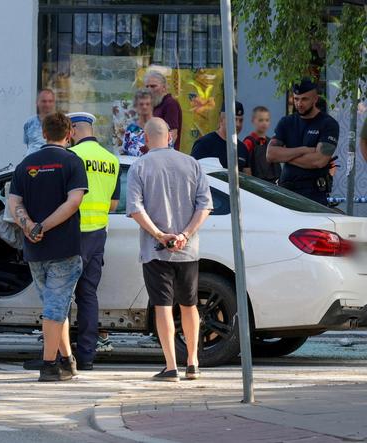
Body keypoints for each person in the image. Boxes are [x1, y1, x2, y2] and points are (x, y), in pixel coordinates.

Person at [126, 117, 213, 382]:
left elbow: (135, 209)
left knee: (163, 305)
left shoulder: (139, 166)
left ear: (145, 136)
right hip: (188, 250)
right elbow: (205, 206)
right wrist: (185, 234)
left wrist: (160, 235)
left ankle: (171, 365)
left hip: (156, 249)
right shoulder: (192, 164)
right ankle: (193, 362)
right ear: (170, 136)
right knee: (189, 304)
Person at [9, 112, 87, 382]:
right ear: (69, 135)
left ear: (44, 134)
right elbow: (73, 202)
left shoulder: (26, 164)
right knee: (55, 308)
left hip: (35, 249)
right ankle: (49, 365)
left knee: (56, 306)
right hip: (63, 246)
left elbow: (14, 203)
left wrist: (29, 226)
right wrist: (44, 226)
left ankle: (67, 360)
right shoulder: (72, 162)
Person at [67, 112, 120, 371]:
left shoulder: (72, 156)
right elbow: (113, 203)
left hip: (73, 232)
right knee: (88, 295)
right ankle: (87, 356)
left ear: (75, 129)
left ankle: (61, 353)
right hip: (98, 233)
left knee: (63, 293)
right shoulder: (111, 160)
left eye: (69, 130)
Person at [266, 79, 339, 206]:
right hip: (286, 191)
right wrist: (304, 150)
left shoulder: (328, 124)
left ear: (315, 99)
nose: (299, 103)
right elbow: (271, 154)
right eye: (296, 99)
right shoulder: (286, 122)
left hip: (314, 194)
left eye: (304, 99)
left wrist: (284, 155)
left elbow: (318, 160)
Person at [191, 101, 252, 174]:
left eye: (241, 120)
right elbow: (192, 172)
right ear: (221, 120)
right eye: (234, 120)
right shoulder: (205, 144)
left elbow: (247, 178)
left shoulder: (242, 148)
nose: (238, 124)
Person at [143, 71, 183, 151]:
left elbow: (173, 135)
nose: (149, 90)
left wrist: (159, 153)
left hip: (163, 156)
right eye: (147, 87)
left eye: (153, 86)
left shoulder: (170, 104)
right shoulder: (154, 104)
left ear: (164, 88)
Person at [243, 106, 281, 183]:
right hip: (256, 184)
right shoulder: (249, 142)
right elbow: (245, 167)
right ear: (253, 121)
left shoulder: (271, 142)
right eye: (260, 120)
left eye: (267, 120)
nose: (264, 123)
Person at [23, 89, 56, 156]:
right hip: (31, 163)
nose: (47, 104)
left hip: (53, 163)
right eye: (44, 101)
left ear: (54, 103)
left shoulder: (60, 123)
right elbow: (28, 145)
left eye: (50, 101)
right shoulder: (29, 123)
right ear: (37, 102)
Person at [121, 90, 153, 156]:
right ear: (136, 107)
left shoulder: (161, 127)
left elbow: (168, 152)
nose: (144, 107)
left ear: (152, 106)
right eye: (141, 104)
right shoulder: (131, 129)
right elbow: (124, 151)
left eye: (147, 104)